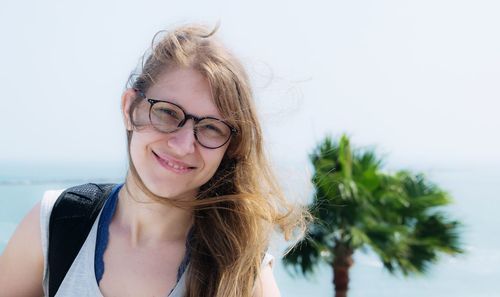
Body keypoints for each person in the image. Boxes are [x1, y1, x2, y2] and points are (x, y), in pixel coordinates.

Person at [0, 24, 307, 297]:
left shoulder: (242, 271)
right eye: (167, 113)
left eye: (211, 128)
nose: (184, 145)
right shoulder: (54, 225)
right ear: (130, 108)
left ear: (230, 146)